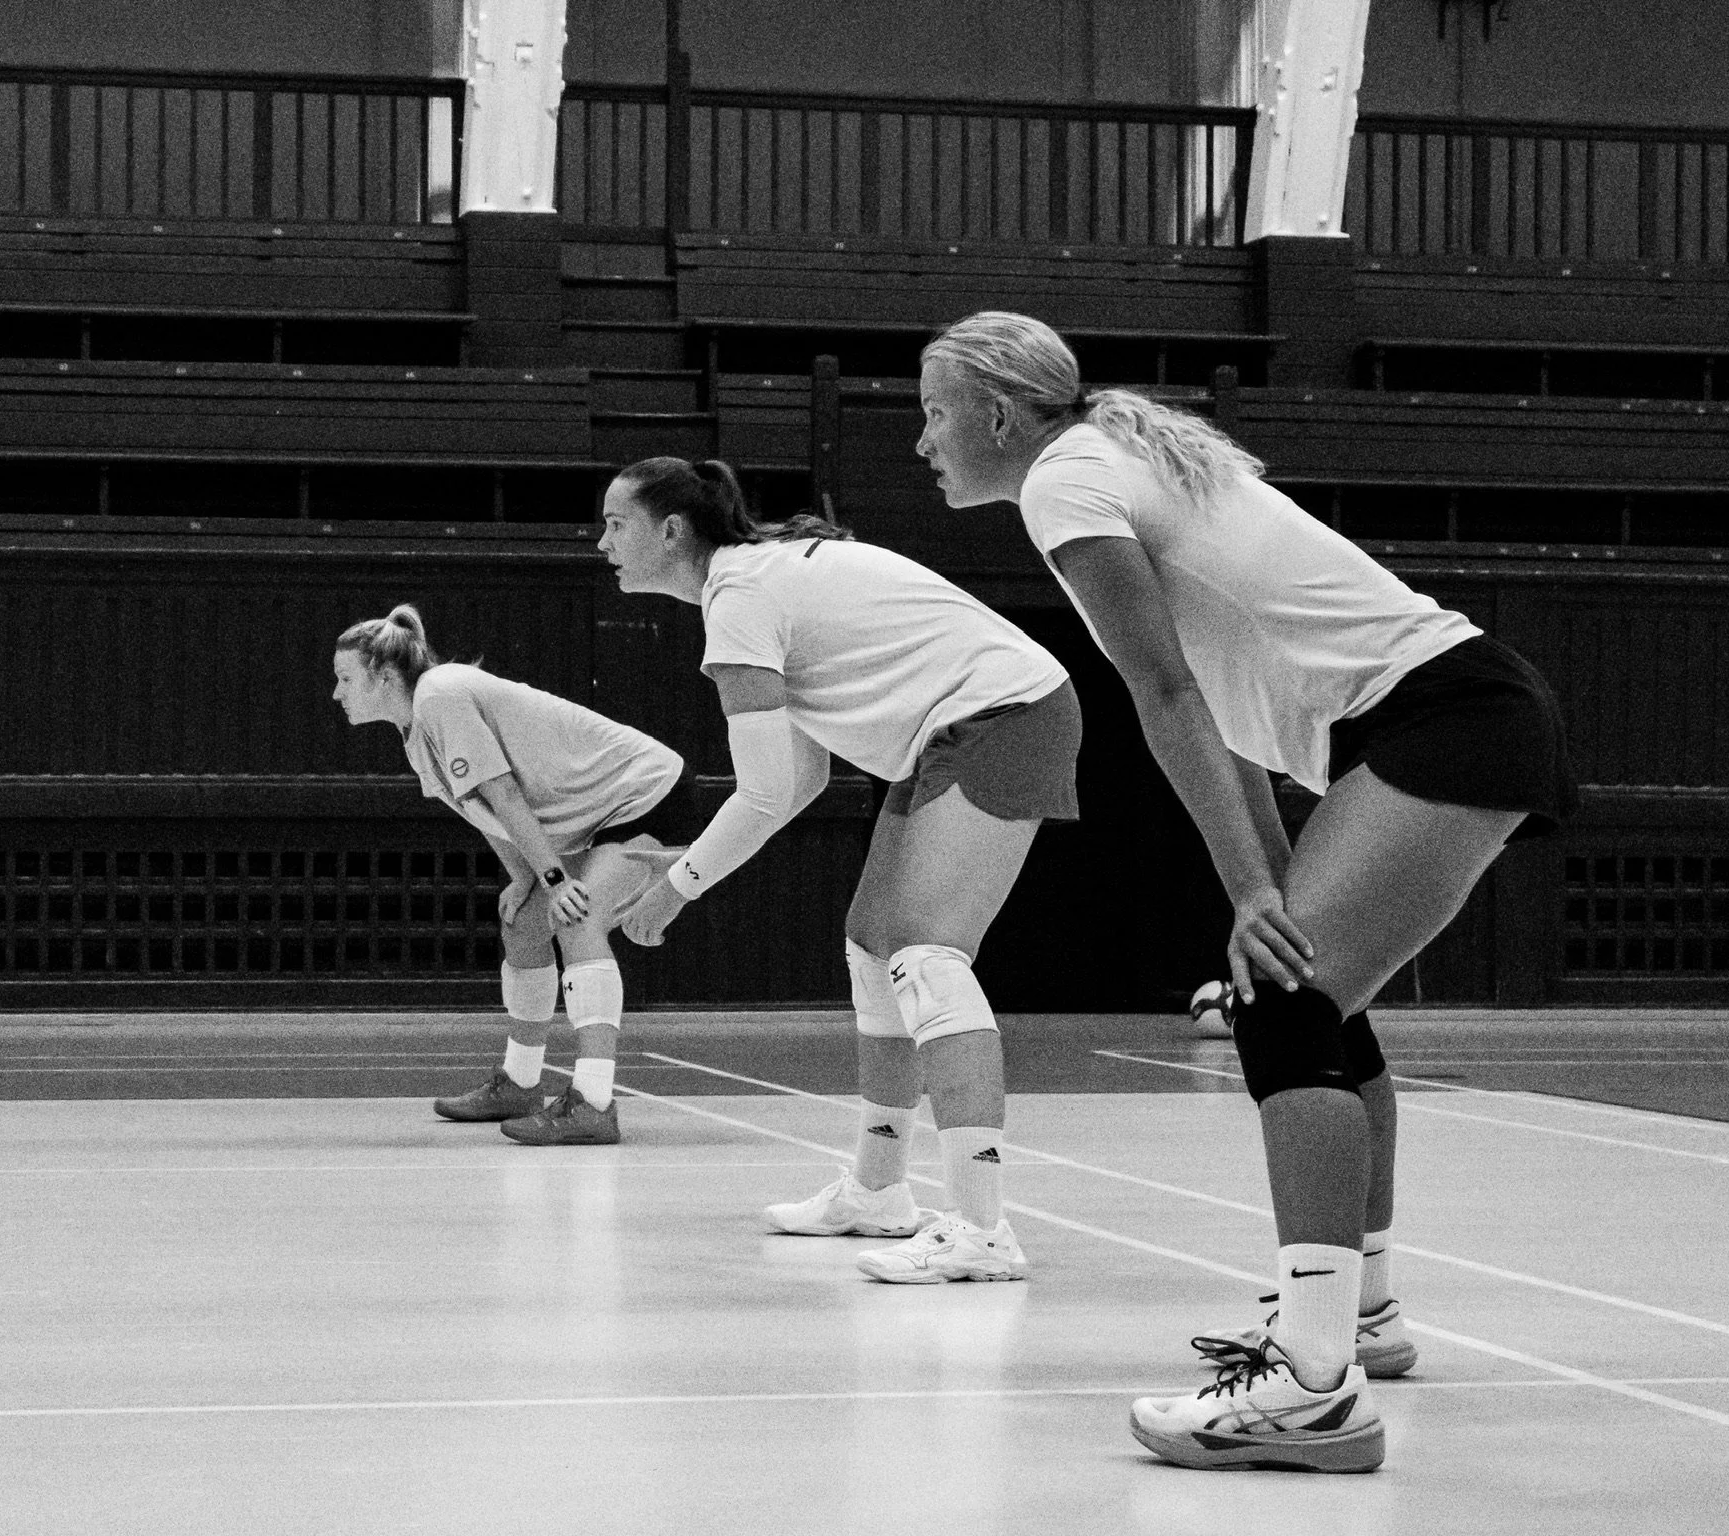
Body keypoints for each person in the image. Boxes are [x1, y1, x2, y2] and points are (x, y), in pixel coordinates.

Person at [916, 311, 1577, 1471]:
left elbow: (1164, 694)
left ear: (996, 415)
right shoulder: (1102, 459)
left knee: (1284, 1007)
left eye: (931, 414)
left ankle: (1314, 1392)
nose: (922, 443)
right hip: (1455, 717)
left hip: (1444, 719)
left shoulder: (1064, 483)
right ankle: (1359, 1318)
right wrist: (1262, 886)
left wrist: (1247, 895)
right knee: (1315, 998)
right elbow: (1222, 722)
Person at [600, 458, 1082, 1282]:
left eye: (615, 524)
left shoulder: (739, 597)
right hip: (954, 730)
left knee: (927, 954)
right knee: (871, 945)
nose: (601, 541)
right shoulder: (753, 582)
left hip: (1006, 717)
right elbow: (799, 782)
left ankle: (983, 1230)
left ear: (671, 531)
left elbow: (760, 795)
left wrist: (674, 891)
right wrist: (688, 874)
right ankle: (878, 1191)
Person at [332, 605, 703, 1145]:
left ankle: (595, 1103)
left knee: (576, 917)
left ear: (385, 677)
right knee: (523, 926)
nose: (337, 694)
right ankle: (522, 1084)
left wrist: (554, 880)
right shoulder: (415, 731)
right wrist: (526, 878)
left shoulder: (440, 694)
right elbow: (487, 812)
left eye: (345, 679)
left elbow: (505, 793)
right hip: (596, 818)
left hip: (647, 794)